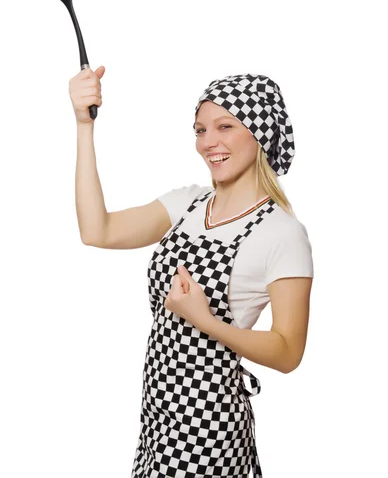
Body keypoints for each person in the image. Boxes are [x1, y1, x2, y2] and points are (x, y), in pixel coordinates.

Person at [70, 69, 314, 478]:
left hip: (209, 425)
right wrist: (83, 127)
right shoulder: (187, 204)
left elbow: (288, 351)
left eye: (225, 126)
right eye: (201, 129)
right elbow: (98, 231)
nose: (208, 142)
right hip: (158, 412)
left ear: (259, 132)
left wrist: (203, 320)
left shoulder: (282, 233)